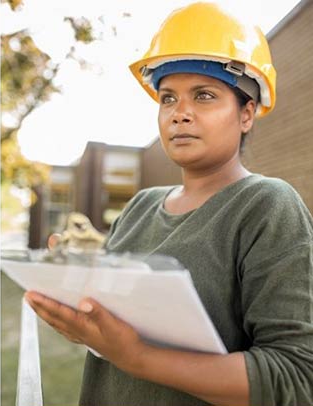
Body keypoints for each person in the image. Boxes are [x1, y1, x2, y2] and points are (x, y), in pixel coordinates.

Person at [25, 3, 313, 406]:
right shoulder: (141, 207)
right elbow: (116, 328)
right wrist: (83, 314)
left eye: (205, 95)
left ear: (246, 113)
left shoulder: (267, 206)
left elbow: (295, 377)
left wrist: (138, 358)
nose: (181, 114)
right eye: (168, 98)